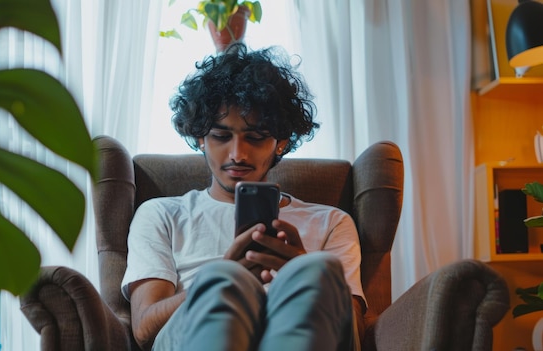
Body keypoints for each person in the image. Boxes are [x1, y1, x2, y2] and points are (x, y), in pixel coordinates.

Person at [121, 43, 365, 351]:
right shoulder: (161, 214)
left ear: (280, 143)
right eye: (221, 137)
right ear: (200, 138)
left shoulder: (331, 221)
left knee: (318, 271)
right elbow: (144, 329)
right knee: (223, 280)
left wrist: (299, 272)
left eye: (256, 137)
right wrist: (221, 274)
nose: (237, 154)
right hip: (193, 337)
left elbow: (355, 335)